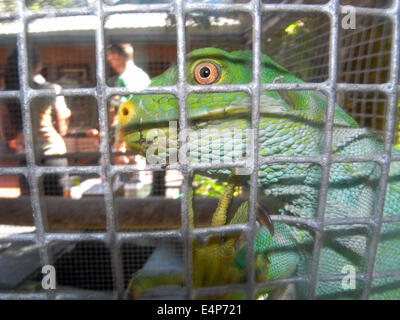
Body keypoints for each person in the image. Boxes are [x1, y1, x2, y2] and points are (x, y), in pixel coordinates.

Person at [4, 48, 71, 196]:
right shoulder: (51, 89)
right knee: (59, 208)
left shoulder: (7, 95)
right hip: (52, 153)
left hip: (26, 157)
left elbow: (9, 134)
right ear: (38, 65)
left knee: (32, 208)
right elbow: (63, 127)